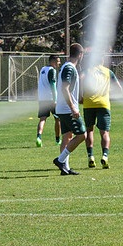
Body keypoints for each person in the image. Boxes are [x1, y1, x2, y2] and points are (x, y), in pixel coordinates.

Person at [82, 54, 123, 169]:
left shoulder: (86, 71)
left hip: (88, 103)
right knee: (104, 132)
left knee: (89, 130)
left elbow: (80, 82)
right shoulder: (108, 72)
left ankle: (90, 157)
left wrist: (81, 96)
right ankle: (105, 156)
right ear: (102, 60)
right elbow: (119, 89)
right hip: (103, 104)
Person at [52, 43, 86, 176]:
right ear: (80, 55)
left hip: (62, 108)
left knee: (67, 137)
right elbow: (64, 88)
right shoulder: (70, 68)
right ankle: (61, 160)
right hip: (67, 109)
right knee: (82, 135)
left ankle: (65, 168)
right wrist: (73, 108)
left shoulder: (67, 67)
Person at [36, 55, 61, 148]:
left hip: (42, 98)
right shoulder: (52, 70)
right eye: (58, 61)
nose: (59, 63)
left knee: (42, 119)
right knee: (58, 119)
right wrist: (55, 99)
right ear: (53, 61)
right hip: (51, 99)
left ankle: (39, 137)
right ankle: (58, 140)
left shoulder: (43, 69)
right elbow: (53, 85)